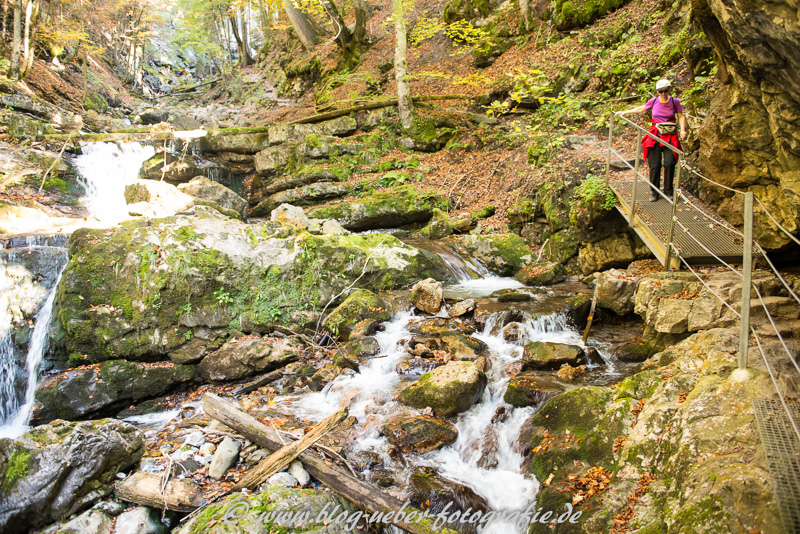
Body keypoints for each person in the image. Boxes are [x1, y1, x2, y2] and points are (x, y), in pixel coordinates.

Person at [618, 79, 687, 201]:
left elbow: (681, 116)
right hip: (655, 135)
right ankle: (654, 192)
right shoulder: (654, 101)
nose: (663, 94)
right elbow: (641, 109)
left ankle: (668, 191)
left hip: (669, 135)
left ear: (669, 90)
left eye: (666, 91)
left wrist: (682, 130)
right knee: (655, 165)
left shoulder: (674, 101)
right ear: (657, 91)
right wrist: (625, 112)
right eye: (661, 91)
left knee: (669, 163)